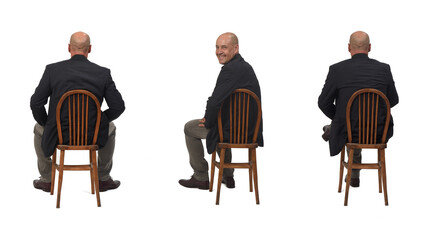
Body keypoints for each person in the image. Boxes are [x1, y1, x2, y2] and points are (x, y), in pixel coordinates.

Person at [31, 32, 125, 192]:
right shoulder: (102, 73)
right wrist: (102, 120)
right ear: (90, 49)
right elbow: (118, 107)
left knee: (38, 128)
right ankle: (103, 179)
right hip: (92, 135)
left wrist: (47, 123)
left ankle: (47, 179)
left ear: (69, 48)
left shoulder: (52, 70)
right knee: (111, 127)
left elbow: (35, 103)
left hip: (58, 134)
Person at [179, 32, 263, 190]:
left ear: (235, 48)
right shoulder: (244, 67)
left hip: (234, 132)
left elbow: (214, 102)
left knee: (190, 127)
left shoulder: (230, 70)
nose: (219, 51)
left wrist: (207, 120)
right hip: (250, 131)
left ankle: (201, 177)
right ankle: (228, 175)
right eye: (217, 47)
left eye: (224, 47)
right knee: (219, 122)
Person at [318, 31, 399, 187]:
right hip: (379, 132)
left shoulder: (337, 70)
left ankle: (334, 128)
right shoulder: (384, 69)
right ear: (369, 47)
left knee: (347, 127)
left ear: (349, 47)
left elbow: (323, 103)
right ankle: (354, 174)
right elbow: (394, 100)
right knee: (351, 124)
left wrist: (341, 118)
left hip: (349, 130)